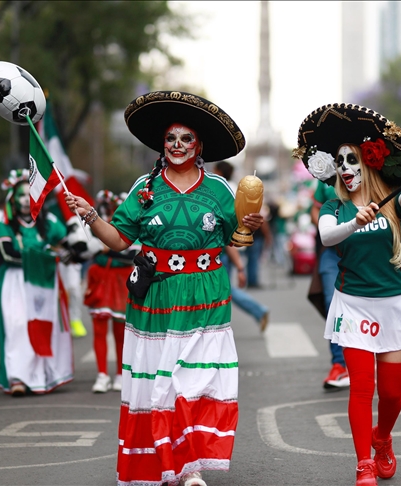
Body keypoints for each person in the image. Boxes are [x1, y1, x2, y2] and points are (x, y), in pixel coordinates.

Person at [66, 91, 262, 486]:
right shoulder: (144, 188)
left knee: (196, 381)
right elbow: (120, 240)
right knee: (162, 384)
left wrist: (253, 225)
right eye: (170, 138)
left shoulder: (220, 189)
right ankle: (169, 462)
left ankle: (191, 467)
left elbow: (239, 239)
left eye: (186, 138)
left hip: (206, 295)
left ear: (199, 146)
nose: (177, 145)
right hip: (156, 295)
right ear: (162, 145)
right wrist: (90, 216)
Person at [298, 103, 401, 486]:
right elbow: (326, 237)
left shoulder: (393, 200)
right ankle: (363, 463)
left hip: (395, 302)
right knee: (361, 389)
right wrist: (353, 222)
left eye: (353, 159)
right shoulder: (333, 207)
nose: (346, 168)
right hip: (353, 304)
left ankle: (383, 438)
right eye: (340, 162)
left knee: (391, 396)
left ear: (369, 162)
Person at [0, 170, 73, 396]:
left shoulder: (48, 221)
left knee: (45, 325)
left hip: (44, 282)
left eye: (28, 195)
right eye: (20, 195)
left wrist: (75, 247)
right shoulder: (5, 223)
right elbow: (8, 254)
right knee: (18, 326)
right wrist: (46, 256)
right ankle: (18, 377)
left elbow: (67, 245)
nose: (24, 200)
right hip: (16, 281)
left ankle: (43, 375)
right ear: (12, 198)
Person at [83, 190, 136, 393]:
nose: (108, 211)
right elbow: (86, 249)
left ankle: (121, 374)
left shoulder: (128, 222)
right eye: (105, 207)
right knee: (98, 326)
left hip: (122, 278)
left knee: (121, 328)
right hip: (100, 277)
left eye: (112, 207)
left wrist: (108, 248)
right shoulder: (93, 224)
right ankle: (102, 374)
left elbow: (130, 252)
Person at [211, 161, 269, 331]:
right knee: (224, 291)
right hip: (223, 252)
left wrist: (239, 266)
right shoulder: (223, 188)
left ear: (220, 172)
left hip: (220, 255)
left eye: (214, 170)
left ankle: (259, 310)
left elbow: (226, 233)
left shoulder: (226, 191)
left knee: (226, 291)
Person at [310, 179, 350, 390]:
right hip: (331, 252)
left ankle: (371, 360)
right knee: (332, 304)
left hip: (362, 246)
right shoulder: (324, 175)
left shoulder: (371, 167)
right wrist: (328, 228)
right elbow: (314, 211)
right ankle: (339, 364)